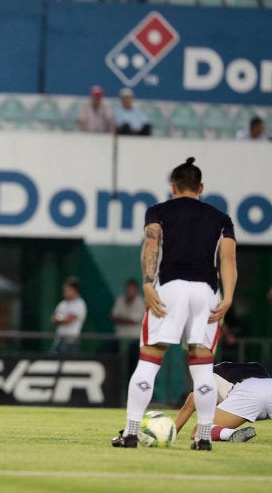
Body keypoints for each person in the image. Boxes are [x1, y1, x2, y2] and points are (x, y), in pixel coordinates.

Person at [112, 157, 237, 451]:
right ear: (201, 187)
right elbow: (228, 259)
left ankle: (130, 433)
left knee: (150, 358)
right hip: (206, 292)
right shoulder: (221, 218)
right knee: (202, 367)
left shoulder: (158, 211)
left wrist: (146, 283)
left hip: (170, 288)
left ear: (173, 187)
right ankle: (204, 437)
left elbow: (151, 245)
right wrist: (228, 297)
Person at [175, 361, 269, 443]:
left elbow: (188, 407)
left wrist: (171, 433)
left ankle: (230, 434)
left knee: (199, 432)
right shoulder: (253, 367)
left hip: (248, 394)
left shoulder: (207, 377)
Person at [108, 278, 146, 367]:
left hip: (134, 341)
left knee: (132, 364)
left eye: (131, 289)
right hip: (119, 339)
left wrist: (120, 318)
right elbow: (112, 317)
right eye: (128, 288)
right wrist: (124, 319)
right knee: (106, 352)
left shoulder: (140, 303)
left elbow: (132, 321)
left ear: (136, 290)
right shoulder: (120, 300)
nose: (129, 291)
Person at [50, 277, 87, 355]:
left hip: (71, 342)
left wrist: (60, 318)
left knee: (69, 365)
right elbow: (53, 320)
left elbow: (69, 320)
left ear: (74, 290)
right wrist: (62, 318)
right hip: (59, 340)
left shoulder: (80, 304)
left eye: (67, 289)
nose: (65, 291)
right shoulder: (62, 304)